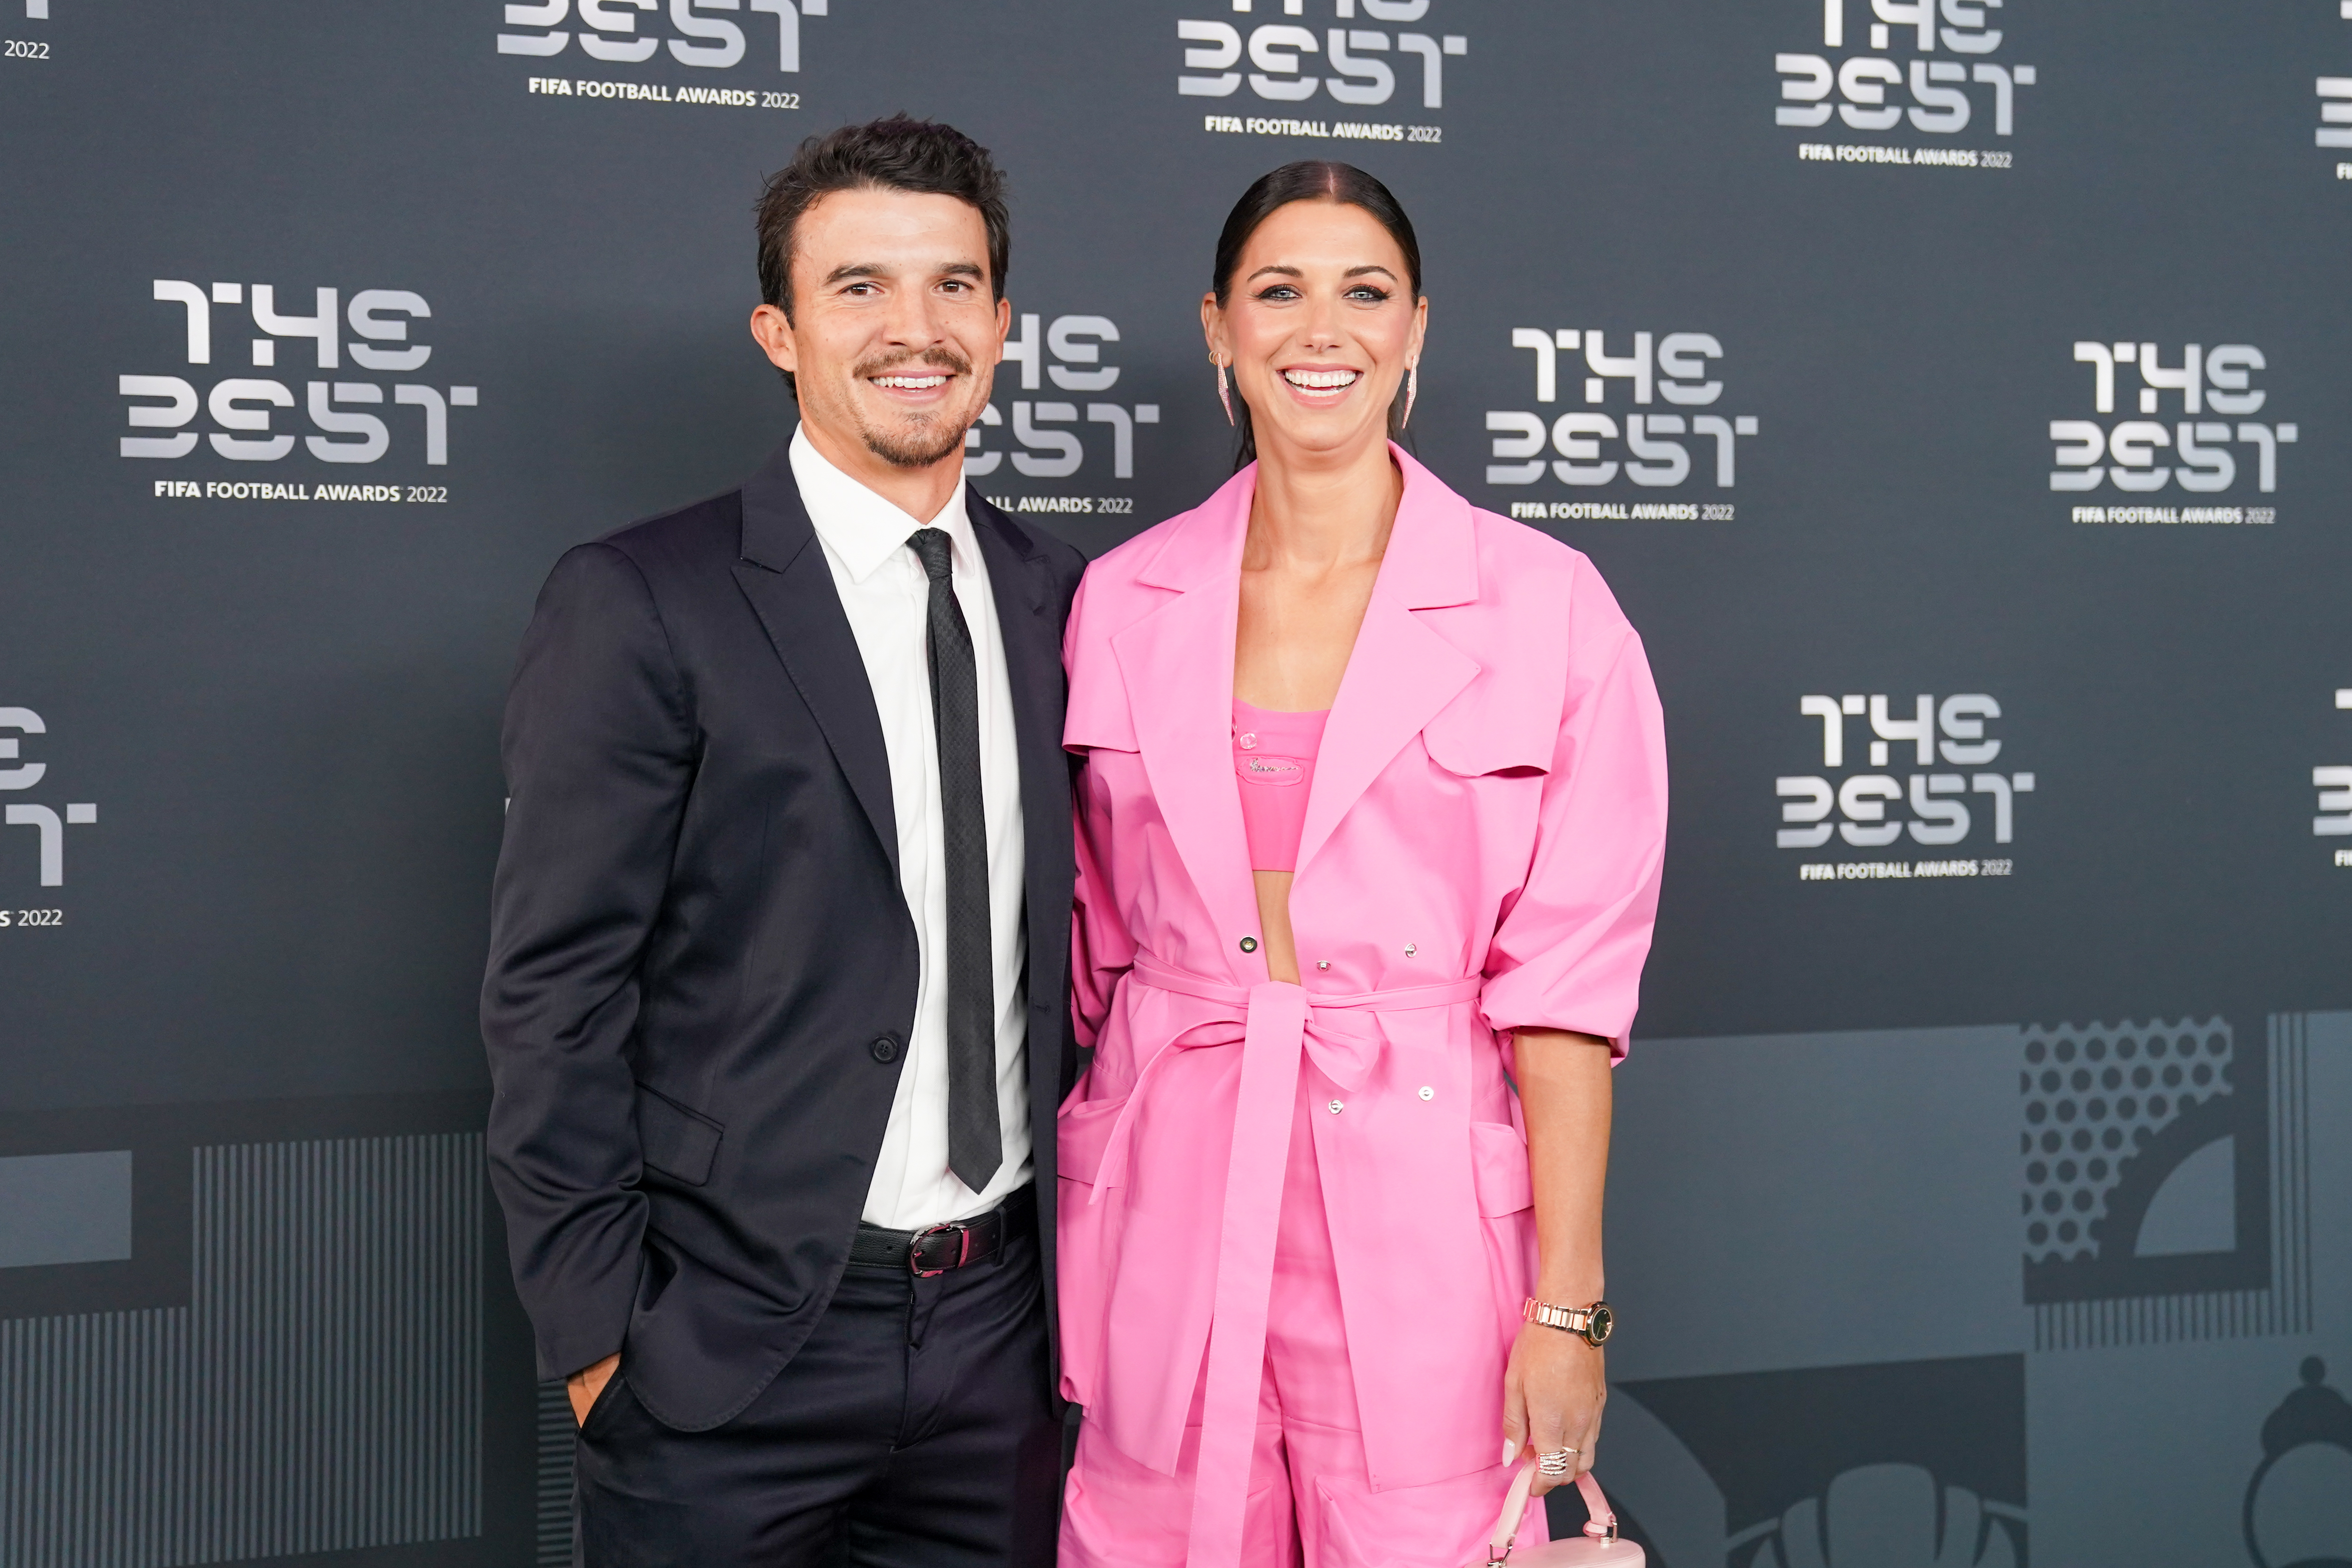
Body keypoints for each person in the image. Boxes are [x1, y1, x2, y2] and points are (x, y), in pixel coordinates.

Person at [481, 116, 1085, 1568]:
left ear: (1002, 322)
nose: (915, 329)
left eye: (953, 286)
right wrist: (600, 1343)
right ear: (778, 328)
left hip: (1004, 1348)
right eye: (860, 286)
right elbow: (552, 994)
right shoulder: (645, 598)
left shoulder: (1070, 603)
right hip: (722, 1355)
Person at [1054, 161, 1669, 1567]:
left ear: (1416, 330)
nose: (1318, 329)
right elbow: (1083, 950)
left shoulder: (1550, 608)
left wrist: (1566, 1307)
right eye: (1278, 291)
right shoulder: (1121, 600)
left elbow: (1566, 993)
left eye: (1363, 293)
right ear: (1217, 328)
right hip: (1161, 1199)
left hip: (1420, 1222)